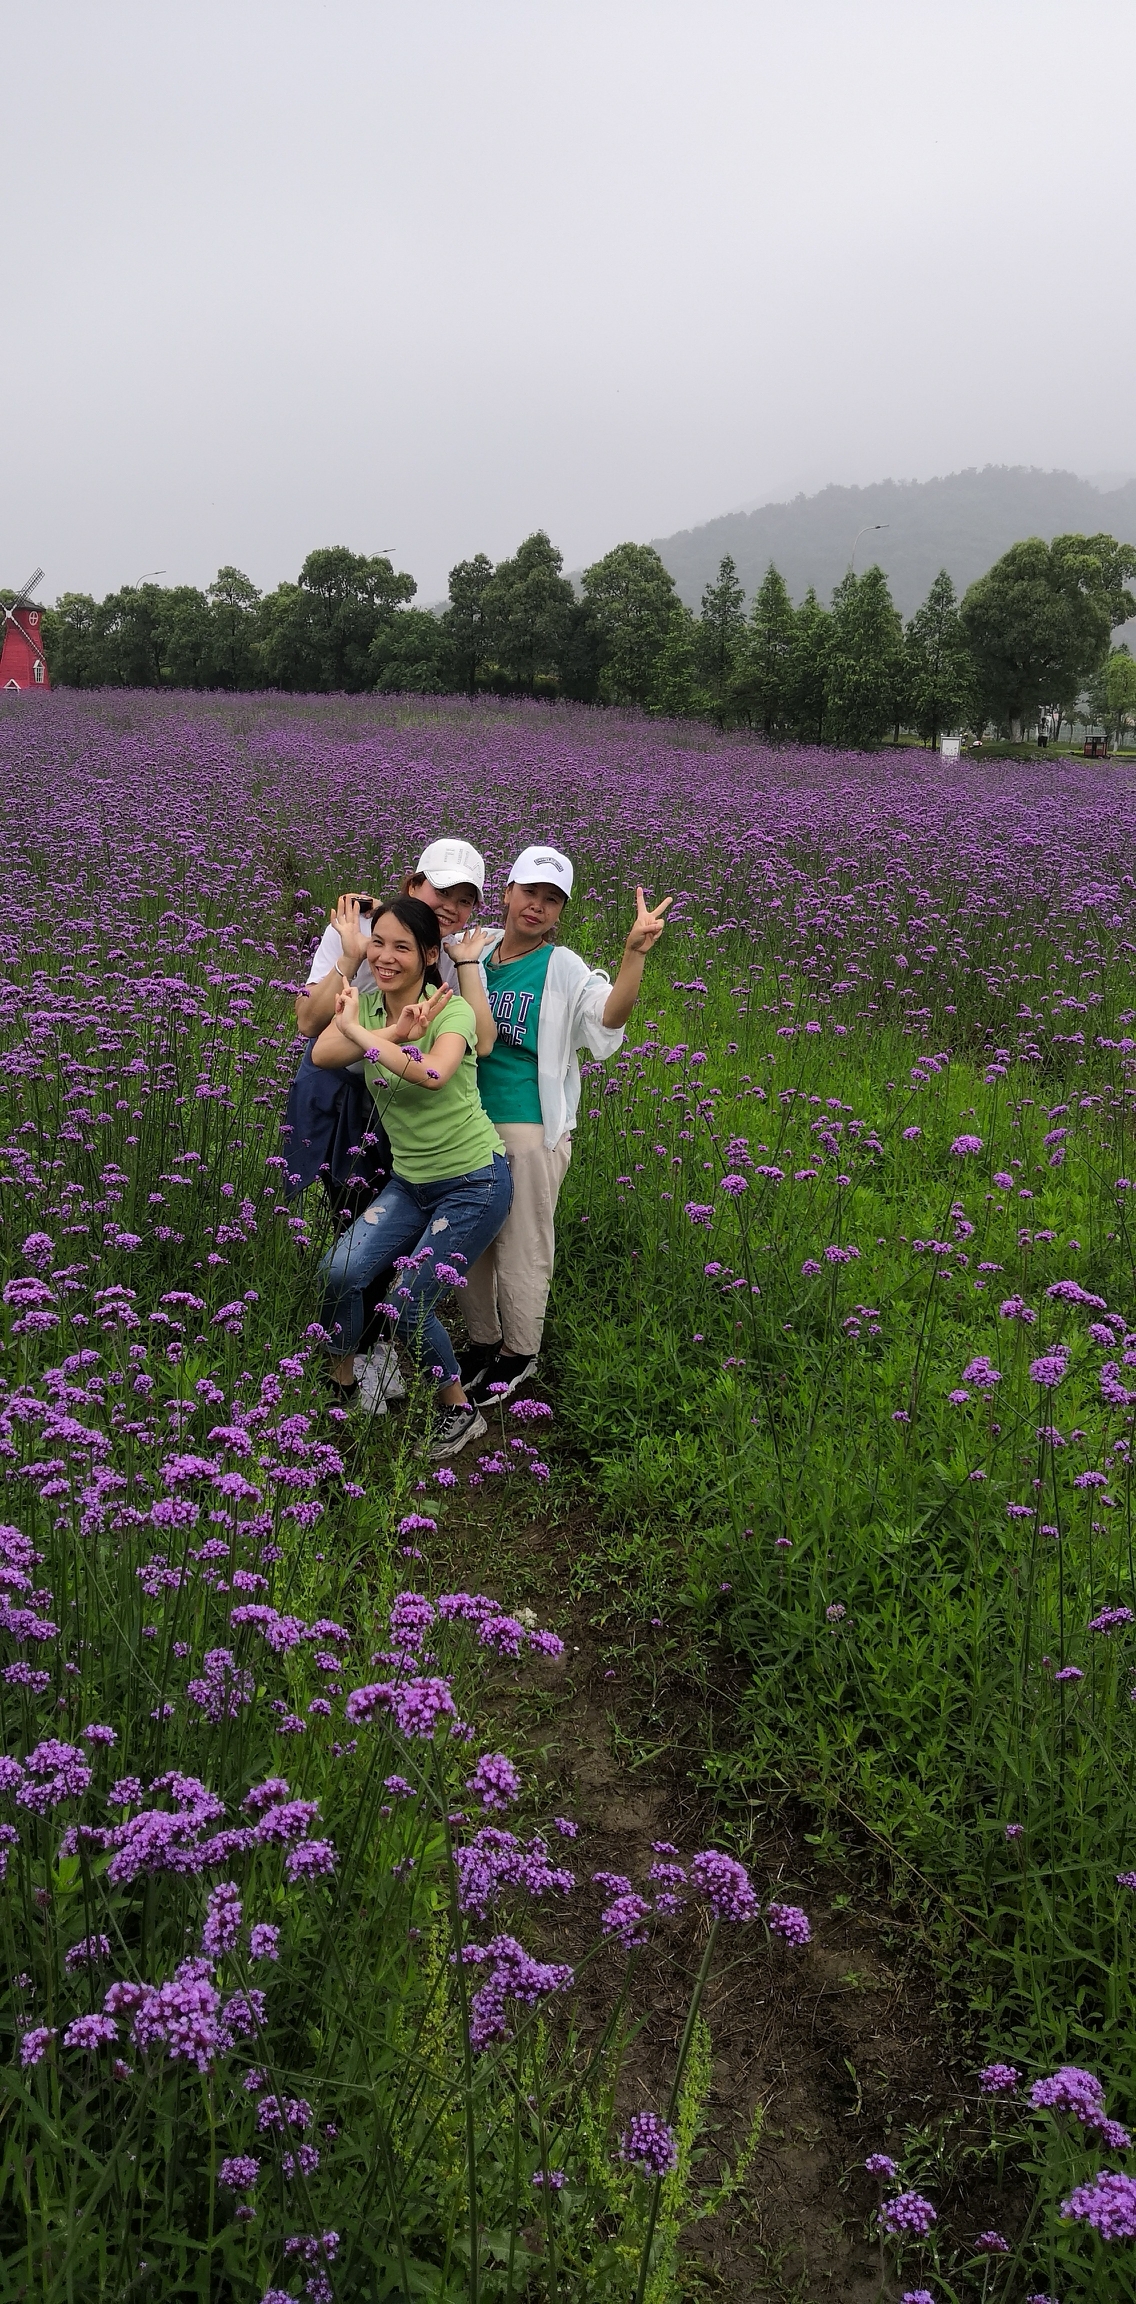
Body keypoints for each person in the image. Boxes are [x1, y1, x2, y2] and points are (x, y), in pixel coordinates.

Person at [287, 839, 497, 1411]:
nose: (451, 905)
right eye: (439, 890)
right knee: (349, 1227)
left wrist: (470, 964)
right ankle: (348, 1363)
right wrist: (355, 957)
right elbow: (314, 1031)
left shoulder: (455, 954)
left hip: (425, 1124)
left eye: (464, 898)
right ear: (412, 885)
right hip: (355, 1098)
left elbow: (464, 1049)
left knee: (401, 1271)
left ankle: (385, 1353)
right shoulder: (361, 933)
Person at [460, 846, 670, 1403]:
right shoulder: (473, 953)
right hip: (464, 1120)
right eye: (529, 892)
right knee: (470, 1239)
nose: (537, 907)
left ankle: (518, 1351)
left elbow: (607, 1018)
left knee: (522, 1241)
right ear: (507, 893)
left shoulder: (562, 965)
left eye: (552, 900)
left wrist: (633, 956)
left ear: (559, 913)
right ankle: (482, 1340)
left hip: (527, 1124)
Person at [312, 895, 513, 1459]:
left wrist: (376, 1037)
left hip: (474, 1181)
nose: (386, 956)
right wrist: (389, 1030)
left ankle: (457, 1409)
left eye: (402, 947)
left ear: (429, 956)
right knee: (339, 1271)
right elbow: (325, 1052)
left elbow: (433, 1074)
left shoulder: (452, 1011)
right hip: (411, 1183)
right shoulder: (369, 1007)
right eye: (378, 943)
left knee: (409, 1302)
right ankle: (343, 1381)